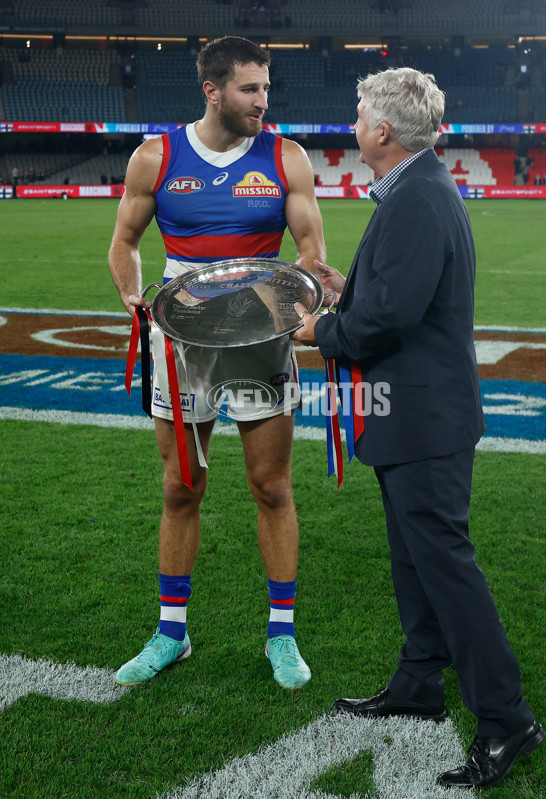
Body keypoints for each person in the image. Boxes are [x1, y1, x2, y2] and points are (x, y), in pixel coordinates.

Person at [293, 67, 545, 789]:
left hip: (424, 418)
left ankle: (507, 718)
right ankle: (419, 683)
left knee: (447, 570)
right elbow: (401, 296)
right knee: (416, 562)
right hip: (416, 415)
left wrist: (324, 327)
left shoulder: (416, 196)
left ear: (382, 131)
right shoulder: (421, 187)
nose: (352, 122)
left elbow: (388, 321)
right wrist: (352, 288)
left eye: (359, 111)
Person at [108, 36, 325, 690]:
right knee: (181, 486)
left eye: (266, 88)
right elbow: (124, 241)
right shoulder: (156, 157)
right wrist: (130, 292)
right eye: (249, 89)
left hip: (260, 336)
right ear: (212, 90)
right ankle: (171, 632)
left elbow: (311, 243)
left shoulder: (286, 157)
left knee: (272, 486)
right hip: (181, 341)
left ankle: (281, 635)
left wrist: (308, 283)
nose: (264, 100)